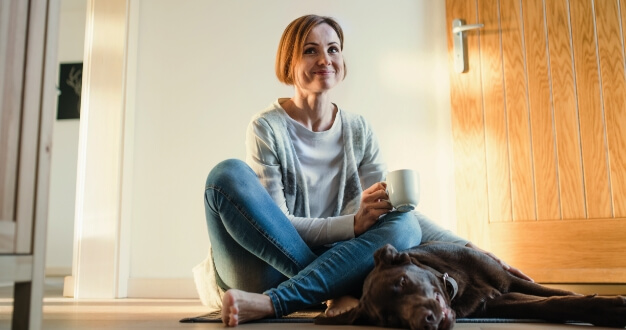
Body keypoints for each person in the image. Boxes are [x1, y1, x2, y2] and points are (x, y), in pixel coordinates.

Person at [202, 14, 531, 327]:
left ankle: (286, 299)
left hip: (339, 262)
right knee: (225, 175)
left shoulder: (359, 130)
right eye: (310, 50)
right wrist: (353, 225)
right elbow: (277, 229)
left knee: (402, 221)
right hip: (263, 269)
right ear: (289, 62)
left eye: (333, 49)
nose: (325, 59)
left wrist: (470, 249)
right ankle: (328, 292)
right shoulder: (266, 127)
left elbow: (394, 212)